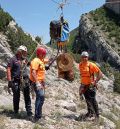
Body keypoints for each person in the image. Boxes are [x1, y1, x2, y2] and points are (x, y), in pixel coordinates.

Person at [7, 45, 32, 117]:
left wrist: (44, 66)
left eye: (25, 52)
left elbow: (32, 65)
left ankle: (29, 111)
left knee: (27, 95)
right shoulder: (13, 59)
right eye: (24, 52)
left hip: (25, 80)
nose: (25, 53)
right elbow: (8, 69)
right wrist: (9, 80)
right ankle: (16, 111)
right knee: (16, 96)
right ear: (20, 51)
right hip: (15, 80)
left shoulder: (25, 59)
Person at [79, 51, 102, 121]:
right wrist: (81, 85)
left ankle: (97, 116)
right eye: (83, 57)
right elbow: (82, 75)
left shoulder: (91, 65)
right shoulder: (80, 65)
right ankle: (90, 113)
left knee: (92, 100)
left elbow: (100, 73)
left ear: (88, 57)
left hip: (91, 85)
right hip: (84, 85)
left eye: (85, 57)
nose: (84, 58)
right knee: (87, 99)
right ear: (81, 57)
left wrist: (95, 81)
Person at [30, 46, 49, 122]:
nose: (45, 55)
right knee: (40, 97)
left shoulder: (41, 60)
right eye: (44, 53)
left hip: (41, 82)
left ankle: (39, 115)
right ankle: (37, 117)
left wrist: (58, 56)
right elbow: (33, 72)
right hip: (36, 82)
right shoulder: (36, 60)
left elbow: (48, 60)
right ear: (40, 54)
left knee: (41, 98)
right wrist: (37, 82)